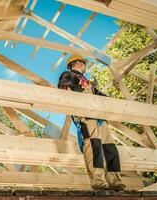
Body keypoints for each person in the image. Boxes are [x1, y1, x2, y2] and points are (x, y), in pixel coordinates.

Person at [57, 54, 126, 191]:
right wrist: (84, 89)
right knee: (94, 145)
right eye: (83, 63)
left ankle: (116, 183)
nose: (85, 66)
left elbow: (101, 96)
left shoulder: (86, 80)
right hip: (85, 116)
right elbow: (63, 88)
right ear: (76, 63)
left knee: (110, 148)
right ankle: (99, 183)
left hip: (100, 118)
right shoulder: (68, 74)